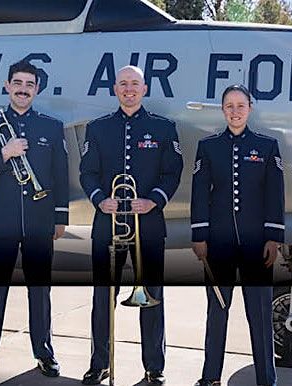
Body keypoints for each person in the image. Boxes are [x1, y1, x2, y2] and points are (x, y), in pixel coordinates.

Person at [79, 65, 183, 385]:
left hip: (148, 226)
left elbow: (172, 173)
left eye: (134, 84)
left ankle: (154, 366)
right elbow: (87, 173)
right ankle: (100, 363)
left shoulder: (164, 128)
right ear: (115, 89)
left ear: (145, 88)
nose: (129, 89)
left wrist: (154, 199)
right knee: (102, 298)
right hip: (107, 225)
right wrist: (99, 199)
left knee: (151, 296)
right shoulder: (98, 128)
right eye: (123, 84)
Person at [0, 60, 68, 381]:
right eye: (18, 83)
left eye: (29, 84)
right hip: (0, 222)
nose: (23, 89)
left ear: (36, 89)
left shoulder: (52, 126)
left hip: (40, 222)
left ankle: (44, 352)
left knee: (39, 292)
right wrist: (4, 154)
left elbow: (61, 177)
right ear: (7, 86)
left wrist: (60, 217)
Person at [190, 84, 283, 386]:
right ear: (222, 110)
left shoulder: (267, 146)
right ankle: (209, 377)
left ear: (250, 108)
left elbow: (274, 194)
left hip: (257, 245)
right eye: (229, 106)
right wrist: (199, 235)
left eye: (240, 105)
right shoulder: (209, 146)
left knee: (259, 315)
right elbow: (200, 192)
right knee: (217, 312)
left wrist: (274, 236)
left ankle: (266, 379)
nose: (235, 111)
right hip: (218, 245)